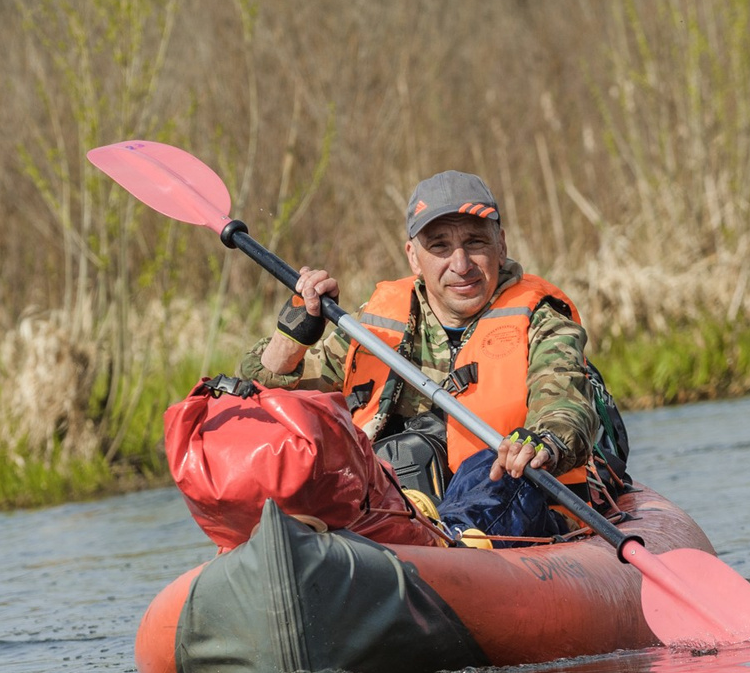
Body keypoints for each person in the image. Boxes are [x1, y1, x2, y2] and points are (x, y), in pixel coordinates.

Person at [242, 170, 621, 539]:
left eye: (475, 243)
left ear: (500, 245)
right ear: (413, 256)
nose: (460, 265)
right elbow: (265, 400)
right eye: (439, 246)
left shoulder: (543, 321)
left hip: (510, 501)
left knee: (497, 468)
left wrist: (542, 443)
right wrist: (291, 337)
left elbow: (565, 407)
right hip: (394, 505)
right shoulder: (372, 327)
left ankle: (441, 538)